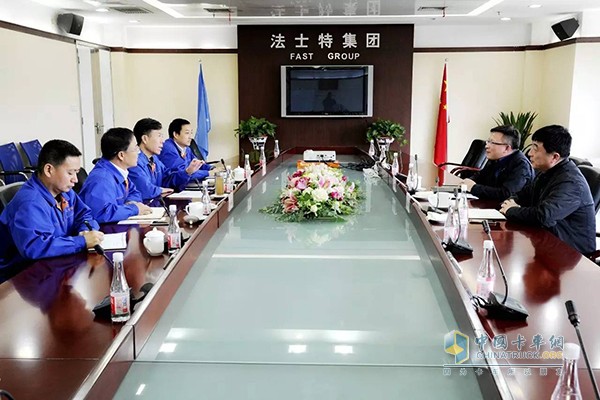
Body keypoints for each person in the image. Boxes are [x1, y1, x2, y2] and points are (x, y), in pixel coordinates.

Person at [0, 139, 104, 273]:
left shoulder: (65, 191)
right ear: (49, 170)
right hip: (22, 273)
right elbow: (35, 247)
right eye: (70, 173)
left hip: (55, 262)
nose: (75, 179)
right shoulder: (30, 202)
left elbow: (84, 215)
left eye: (77, 172)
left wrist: (85, 231)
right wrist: (82, 241)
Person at [499, 125, 596, 255]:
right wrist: (510, 202)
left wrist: (511, 210)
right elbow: (523, 195)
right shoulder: (547, 172)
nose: (529, 153)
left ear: (555, 157)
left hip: (572, 255)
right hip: (548, 242)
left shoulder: (571, 182)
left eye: (535, 148)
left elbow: (543, 216)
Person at [79, 128, 152, 223]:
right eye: (135, 149)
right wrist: (134, 209)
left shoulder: (120, 172)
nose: (139, 152)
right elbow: (101, 213)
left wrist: (131, 203)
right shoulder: (102, 179)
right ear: (121, 155)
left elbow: (134, 192)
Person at [460, 125, 533, 200]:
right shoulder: (496, 158)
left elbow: (506, 194)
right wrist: (468, 181)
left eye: (492, 142)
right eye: (488, 141)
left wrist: (474, 188)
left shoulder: (521, 165)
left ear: (507, 148)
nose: (486, 146)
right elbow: (481, 176)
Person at [128, 118, 191, 202]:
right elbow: (145, 190)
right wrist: (161, 190)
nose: (162, 141)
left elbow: (168, 178)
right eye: (159, 136)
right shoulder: (134, 162)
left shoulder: (154, 159)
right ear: (145, 139)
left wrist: (187, 172)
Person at [158, 118, 211, 185]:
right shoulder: (168, 148)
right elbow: (183, 173)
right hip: (172, 187)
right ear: (176, 134)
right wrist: (208, 173)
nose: (190, 137)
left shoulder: (187, 148)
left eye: (191, 133)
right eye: (187, 133)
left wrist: (211, 168)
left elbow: (197, 164)